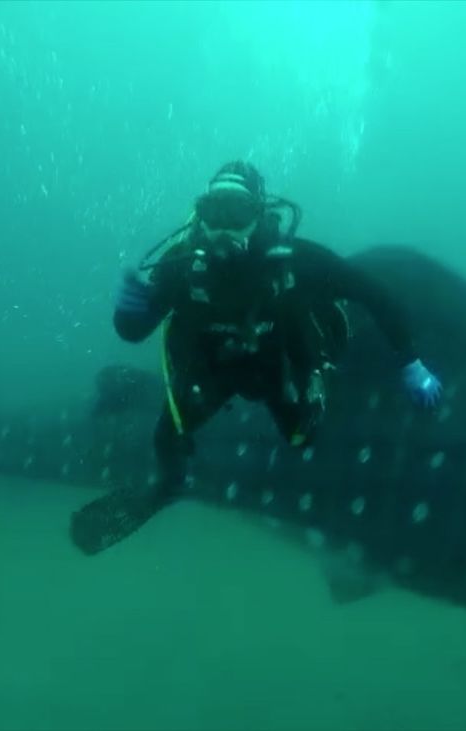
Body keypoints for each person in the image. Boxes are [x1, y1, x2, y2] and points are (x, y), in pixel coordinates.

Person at [70, 161, 442, 554]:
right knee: (167, 436)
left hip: (277, 364)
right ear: (200, 213)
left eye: (238, 212)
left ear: (259, 214)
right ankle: (169, 485)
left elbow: (377, 295)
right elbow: (134, 332)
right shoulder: (181, 265)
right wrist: (127, 314)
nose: (223, 226)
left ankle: (321, 374)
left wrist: (411, 363)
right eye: (214, 211)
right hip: (214, 368)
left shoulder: (294, 260)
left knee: (303, 436)